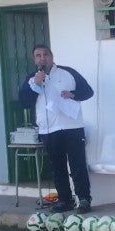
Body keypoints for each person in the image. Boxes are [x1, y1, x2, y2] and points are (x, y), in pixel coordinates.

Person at [18, 44, 95, 214]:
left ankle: (83, 199)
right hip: (48, 129)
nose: (42, 58)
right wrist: (35, 86)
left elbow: (88, 91)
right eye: (38, 55)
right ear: (34, 59)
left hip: (72, 126)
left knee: (77, 165)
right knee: (57, 166)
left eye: (45, 54)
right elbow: (24, 102)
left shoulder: (67, 72)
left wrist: (73, 94)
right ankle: (64, 200)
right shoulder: (32, 78)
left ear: (52, 57)